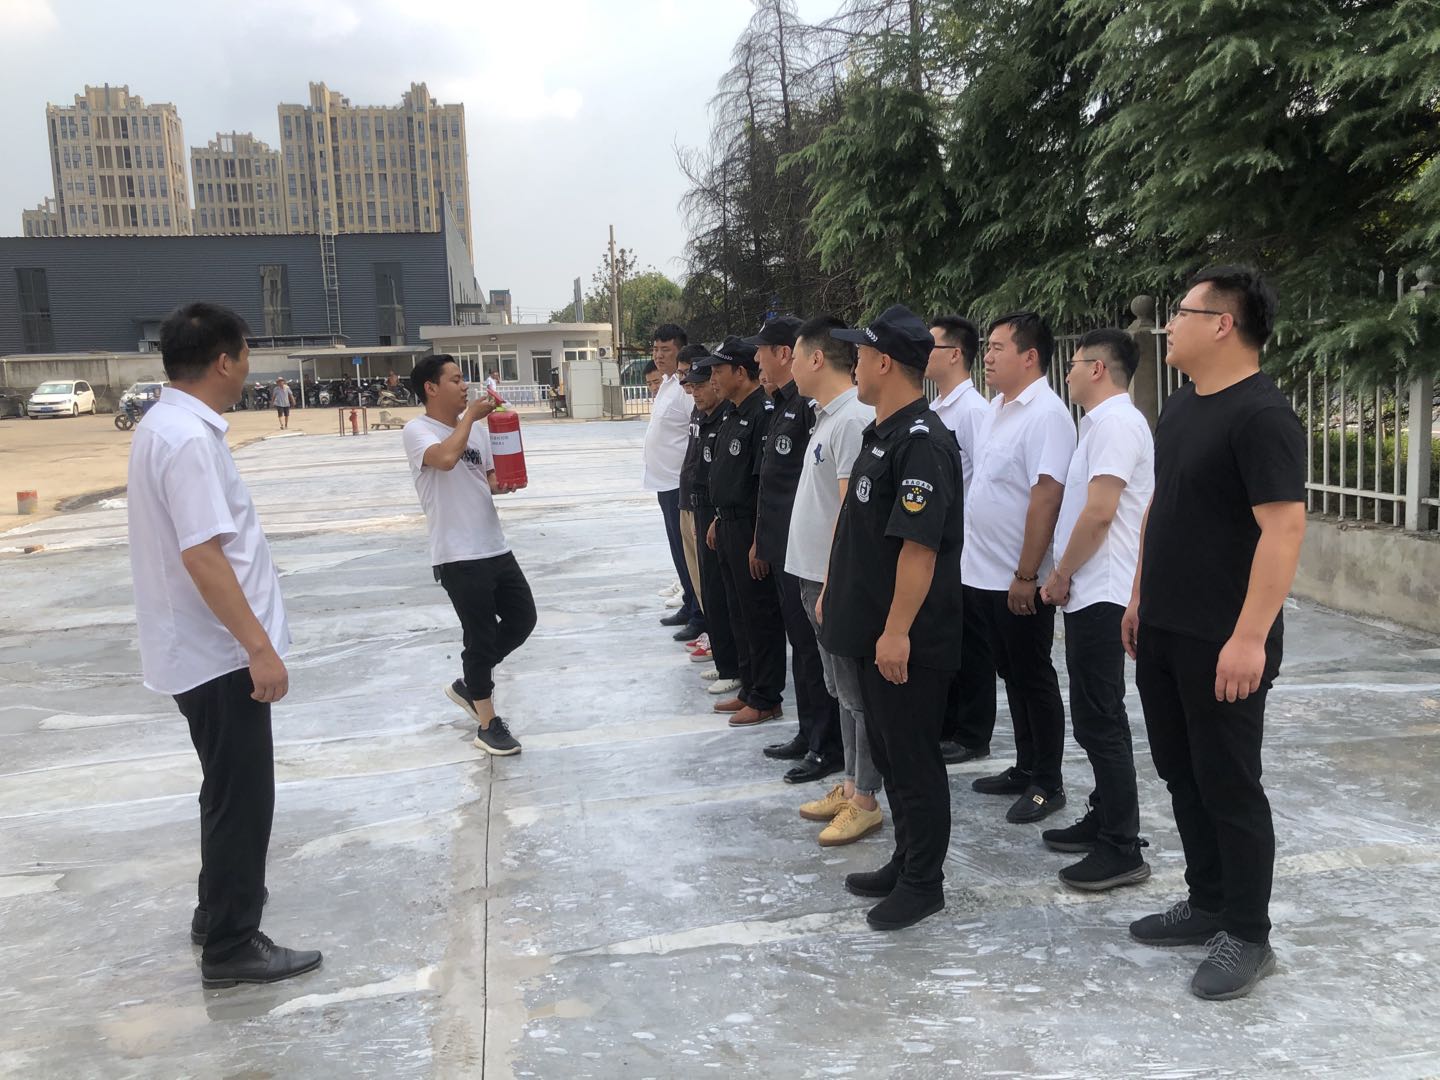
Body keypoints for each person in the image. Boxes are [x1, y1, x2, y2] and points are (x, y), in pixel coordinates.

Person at [1123, 266, 1305, 1001]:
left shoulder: (1261, 416)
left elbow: (1283, 530)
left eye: (1183, 313)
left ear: (1223, 324)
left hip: (1224, 638)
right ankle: (1207, 902)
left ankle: (1249, 934)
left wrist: (1250, 638)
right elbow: (1160, 506)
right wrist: (1139, 597)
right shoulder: (1183, 405)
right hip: (1165, 626)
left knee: (1230, 783)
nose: (1169, 325)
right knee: (1181, 770)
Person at [127, 302, 321, 989]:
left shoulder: (164, 425)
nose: (247, 369)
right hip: (219, 654)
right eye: (244, 356)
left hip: (197, 649)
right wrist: (258, 649)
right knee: (244, 798)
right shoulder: (188, 440)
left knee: (224, 787)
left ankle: (216, 912)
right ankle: (233, 945)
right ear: (222, 361)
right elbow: (203, 555)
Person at [821, 304, 964, 931]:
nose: (853, 363)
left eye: (860, 354)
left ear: (885, 363)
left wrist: (898, 631)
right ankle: (906, 861)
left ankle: (923, 884)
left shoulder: (923, 444)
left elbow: (919, 550)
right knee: (890, 754)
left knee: (913, 762)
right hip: (871, 631)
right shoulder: (883, 434)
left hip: (906, 639)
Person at [1038, 329, 1154, 891]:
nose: (1068, 373)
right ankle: (1106, 815)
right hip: (1091, 589)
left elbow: (1100, 513)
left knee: (1100, 719)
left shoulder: (1116, 424)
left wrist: (1061, 574)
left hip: (1103, 590)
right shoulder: (1100, 424)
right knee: (1095, 715)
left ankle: (1122, 846)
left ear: (1099, 369)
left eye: (1075, 363)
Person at [963, 312, 1076, 825]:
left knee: (1033, 676)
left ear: (1030, 357)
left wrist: (1027, 574)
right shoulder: (995, 409)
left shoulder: (1046, 415)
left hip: (1017, 577)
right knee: (1009, 672)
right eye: (986, 347)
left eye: (997, 348)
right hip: (982, 573)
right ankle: (1025, 766)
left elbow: (1046, 496)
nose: (987, 357)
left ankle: (1047, 783)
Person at [403, 354, 536, 756]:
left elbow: (486, 478)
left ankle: (469, 683)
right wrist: (470, 419)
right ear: (431, 388)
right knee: (479, 635)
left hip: (493, 544)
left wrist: (504, 482)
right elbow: (445, 460)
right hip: (457, 553)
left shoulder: (475, 432)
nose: (465, 386)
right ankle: (488, 723)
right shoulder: (417, 430)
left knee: (523, 619)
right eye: (456, 379)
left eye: (464, 379)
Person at [785, 314, 883, 846]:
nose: (790, 368)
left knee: (856, 693)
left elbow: (851, 513)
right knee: (841, 691)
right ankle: (850, 784)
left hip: (831, 581)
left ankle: (865, 797)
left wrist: (833, 584)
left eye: (796, 356)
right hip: (815, 577)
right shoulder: (827, 416)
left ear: (817, 359)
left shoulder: (851, 420)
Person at [747, 315, 844, 785]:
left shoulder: (811, 409)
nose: (757, 359)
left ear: (788, 354)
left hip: (807, 551)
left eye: (763, 350)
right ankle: (809, 733)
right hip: (789, 547)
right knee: (802, 650)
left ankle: (827, 745)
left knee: (813, 651)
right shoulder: (784, 405)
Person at [699, 336, 786, 727]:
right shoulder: (733, 414)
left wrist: (759, 538)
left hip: (750, 527)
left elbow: (763, 483)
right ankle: (750, 687)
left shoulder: (761, 414)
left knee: (759, 615)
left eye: (719, 370)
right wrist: (718, 517)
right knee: (738, 612)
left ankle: (766, 696)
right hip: (728, 523)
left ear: (740, 371)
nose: (713, 378)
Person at [927, 314, 998, 766]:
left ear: (955, 354)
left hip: (966, 548)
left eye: (931, 345)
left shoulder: (973, 411)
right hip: (940, 545)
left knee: (972, 643)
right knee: (946, 638)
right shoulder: (937, 409)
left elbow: (982, 481)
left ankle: (973, 733)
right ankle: (948, 723)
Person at [683, 359, 743, 696]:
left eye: (702, 384)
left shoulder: (726, 418)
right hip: (703, 508)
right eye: (692, 386)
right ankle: (725, 661)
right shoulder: (706, 418)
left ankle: (733, 667)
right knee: (711, 589)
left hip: (721, 512)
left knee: (723, 592)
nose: (696, 392)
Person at [642, 324, 705, 640]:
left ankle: (699, 614)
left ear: (680, 350)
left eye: (665, 350)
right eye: (655, 349)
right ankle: (688, 603)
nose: (658, 355)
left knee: (689, 553)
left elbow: (697, 430)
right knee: (678, 551)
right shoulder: (667, 384)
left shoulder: (685, 390)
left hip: (681, 482)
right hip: (663, 481)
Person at [675, 342, 711, 649]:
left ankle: (714, 632)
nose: (690, 386)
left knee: (708, 575)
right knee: (696, 573)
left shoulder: (717, 412)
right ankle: (709, 627)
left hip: (705, 505)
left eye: (696, 379)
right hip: (687, 498)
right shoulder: (697, 411)